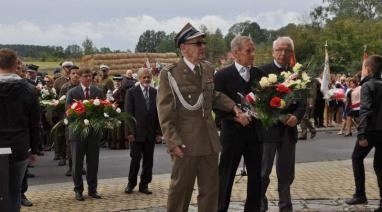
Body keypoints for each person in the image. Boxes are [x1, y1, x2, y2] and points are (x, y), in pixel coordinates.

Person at [157, 23, 246, 212]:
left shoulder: (206, 68)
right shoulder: (170, 74)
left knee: (210, 191)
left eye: (202, 43)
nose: (202, 47)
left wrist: (233, 107)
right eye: (198, 43)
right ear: (183, 48)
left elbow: (212, 95)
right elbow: (165, 111)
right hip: (185, 143)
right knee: (181, 190)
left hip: (209, 140)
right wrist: (173, 141)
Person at [214, 36, 264, 212]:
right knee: (225, 175)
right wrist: (234, 117)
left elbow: (266, 102)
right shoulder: (221, 76)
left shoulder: (260, 75)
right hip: (232, 135)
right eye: (248, 51)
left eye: (253, 50)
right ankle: (220, 208)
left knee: (256, 177)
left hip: (256, 134)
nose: (253, 54)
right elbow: (216, 106)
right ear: (235, 53)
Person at [260, 37, 306, 212]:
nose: (283, 53)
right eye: (279, 49)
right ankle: (260, 202)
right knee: (263, 172)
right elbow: (259, 102)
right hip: (267, 131)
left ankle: (285, 206)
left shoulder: (298, 74)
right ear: (273, 51)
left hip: (289, 131)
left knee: (286, 172)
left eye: (287, 50)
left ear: (291, 53)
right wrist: (278, 116)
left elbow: (302, 102)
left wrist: (296, 116)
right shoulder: (262, 71)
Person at [0, 48, 39, 212]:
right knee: (15, 191)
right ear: (16, 64)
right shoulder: (29, 89)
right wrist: (35, 150)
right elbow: (35, 124)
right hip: (19, 146)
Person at [346, 55, 382, 212]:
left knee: (356, 157)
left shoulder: (367, 86)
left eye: (363, 68)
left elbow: (365, 110)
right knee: (380, 166)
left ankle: (360, 194)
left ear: (367, 69)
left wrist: (361, 134)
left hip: (370, 130)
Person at [66, 68, 105, 201]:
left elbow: (103, 110)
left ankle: (93, 189)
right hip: (77, 134)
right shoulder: (72, 92)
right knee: (77, 163)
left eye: (90, 76)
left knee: (93, 162)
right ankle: (78, 190)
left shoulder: (98, 92)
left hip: (93, 133)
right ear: (80, 77)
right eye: (85, 76)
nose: (88, 78)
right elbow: (68, 112)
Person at [124, 68, 162, 194]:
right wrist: (129, 132)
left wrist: (158, 133)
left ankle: (144, 185)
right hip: (136, 134)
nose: (146, 79)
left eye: (148, 77)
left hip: (150, 134)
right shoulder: (131, 92)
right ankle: (131, 184)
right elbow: (128, 114)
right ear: (139, 78)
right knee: (135, 160)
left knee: (148, 161)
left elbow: (158, 114)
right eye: (144, 77)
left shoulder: (155, 92)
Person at [59, 65, 81, 176]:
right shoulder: (65, 87)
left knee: (82, 143)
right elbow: (61, 103)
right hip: (69, 118)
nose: (76, 75)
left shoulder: (83, 87)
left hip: (82, 119)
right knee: (70, 143)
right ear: (69, 75)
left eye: (77, 73)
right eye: (73, 73)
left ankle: (80, 167)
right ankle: (71, 167)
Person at [53, 61, 73, 164]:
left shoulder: (76, 80)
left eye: (70, 67)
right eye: (66, 67)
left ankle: (72, 158)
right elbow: (55, 97)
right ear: (63, 68)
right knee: (61, 134)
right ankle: (62, 155)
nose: (68, 69)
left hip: (74, 111)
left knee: (70, 136)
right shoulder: (58, 81)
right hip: (62, 110)